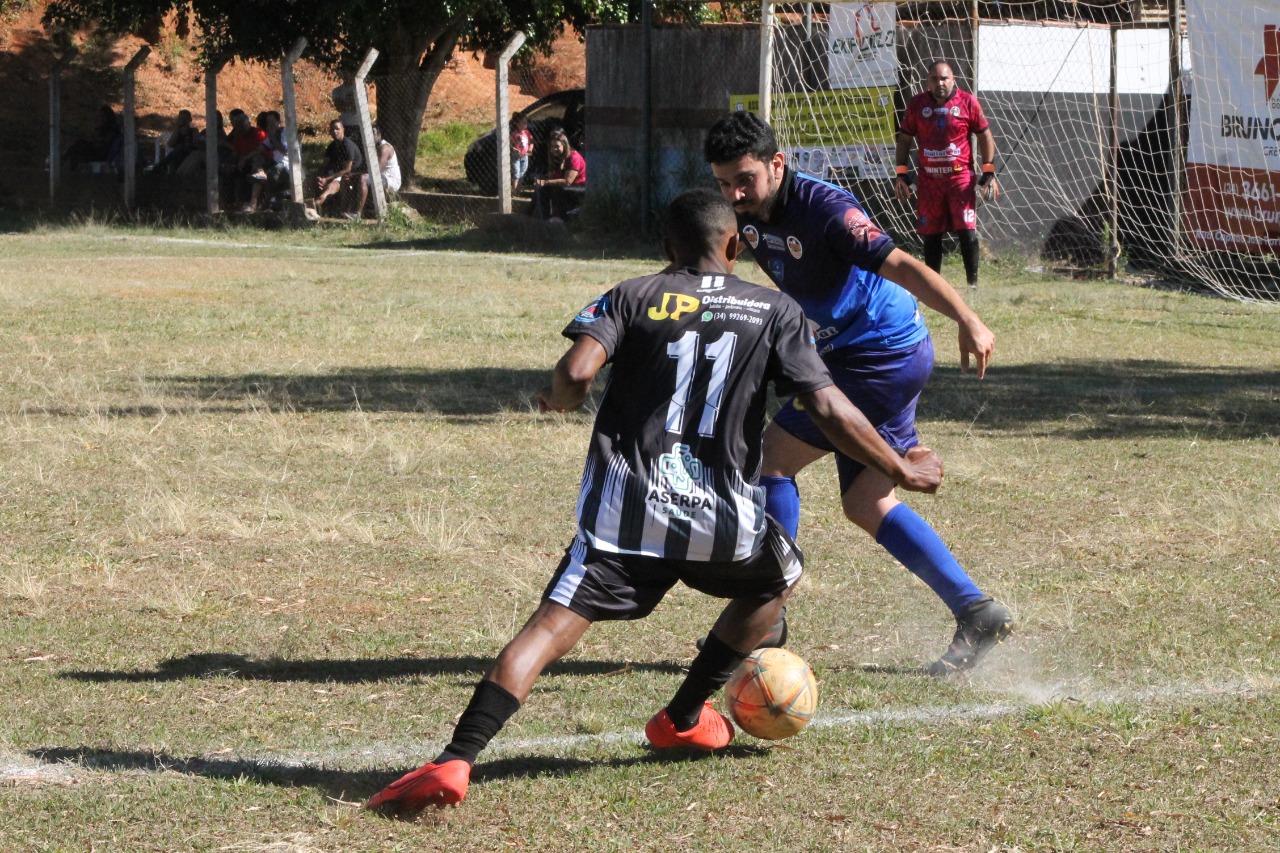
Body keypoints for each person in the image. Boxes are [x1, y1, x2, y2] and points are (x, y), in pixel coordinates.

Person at [364, 188, 944, 817]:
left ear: (667, 249)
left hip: (625, 513)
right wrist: (897, 465)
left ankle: (458, 756)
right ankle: (684, 716)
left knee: (550, 626)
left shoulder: (631, 294)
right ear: (734, 244)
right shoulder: (775, 310)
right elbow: (827, 407)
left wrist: (561, 396)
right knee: (780, 576)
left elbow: (579, 370)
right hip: (723, 519)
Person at [704, 111, 1012, 677]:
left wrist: (968, 318)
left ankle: (767, 607)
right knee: (866, 502)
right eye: (724, 183)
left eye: (744, 180)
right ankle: (976, 611)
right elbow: (720, 258)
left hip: (880, 354)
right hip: (855, 353)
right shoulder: (745, 212)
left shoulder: (827, 211)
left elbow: (900, 264)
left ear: (777, 164)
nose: (735, 194)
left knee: (772, 458)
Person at [894, 60, 1000, 290]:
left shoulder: (968, 102)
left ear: (953, 80)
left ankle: (973, 284)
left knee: (966, 229)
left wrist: (988, 170)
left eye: (944, 78)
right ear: (927, 82)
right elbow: (904, 138)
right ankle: (935, 286)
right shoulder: (917, 104)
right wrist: (901, 173)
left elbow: (984, 135)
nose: (940, 83)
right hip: (929, 182)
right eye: (935, 79)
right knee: (931, 234)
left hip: (959, 179)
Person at [349, 124, 401, 220]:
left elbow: (377, 171)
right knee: (350, 178)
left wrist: (358, 174)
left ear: (379, 135)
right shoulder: (372, 148)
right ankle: (347, 210)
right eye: (368, 134)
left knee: (363, 178)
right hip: (380, 177)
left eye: (373, 133)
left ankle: (358, 214)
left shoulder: (384, 148)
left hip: (390, 180)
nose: (370, 136)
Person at [532, 128, 585, 220]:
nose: (554, 149)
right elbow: (553, 175)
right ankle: (543, 218)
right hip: (566, 186)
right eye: (552, 146)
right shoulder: (558, 157)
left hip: (578, 187)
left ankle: (559, 218)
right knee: (541, 189)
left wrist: (545, 182)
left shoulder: (573, 157)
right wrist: (543, 179)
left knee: (555, 190)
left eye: (557, 146)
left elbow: (568, 181)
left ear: (564, 145)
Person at [314, 118, 362, 215]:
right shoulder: (332, 146)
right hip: (336, 174)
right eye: (332, 129)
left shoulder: (348, 146)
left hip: (351, 174)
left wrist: (327, 179)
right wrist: (320, 177)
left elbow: (347, 169)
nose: (334, 131)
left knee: (328, 190)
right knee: (313, 180)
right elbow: (324, 164)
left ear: (343, 130)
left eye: (337, 129)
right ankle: (322, 209)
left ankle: (312, 210)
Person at [147, 109, 198, 175]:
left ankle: (160, 166)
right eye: (181, 119)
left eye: (185, 119)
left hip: (188, 156)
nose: (184, 121)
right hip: (176, 156)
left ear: (190, 119)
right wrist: (178, 128)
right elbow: (170, 144)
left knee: (180, 148)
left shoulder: (194, 131)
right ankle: (161, 167)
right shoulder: (177, 131)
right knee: (178, 149)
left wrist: (188, 131)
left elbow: (195, 144)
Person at [510, 112, 533, 194]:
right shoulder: (514, 134)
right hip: (517, 156)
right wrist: (515, 150)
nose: (525, 124)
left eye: (526, 122)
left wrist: (530, 148)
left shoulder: (527, 133)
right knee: (516, 172)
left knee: (522, 172)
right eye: (523, 122)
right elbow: (511, 145)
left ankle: (519, 190)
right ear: (517, 123)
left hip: (525, 156)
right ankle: (514, 190)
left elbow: (531, 142)